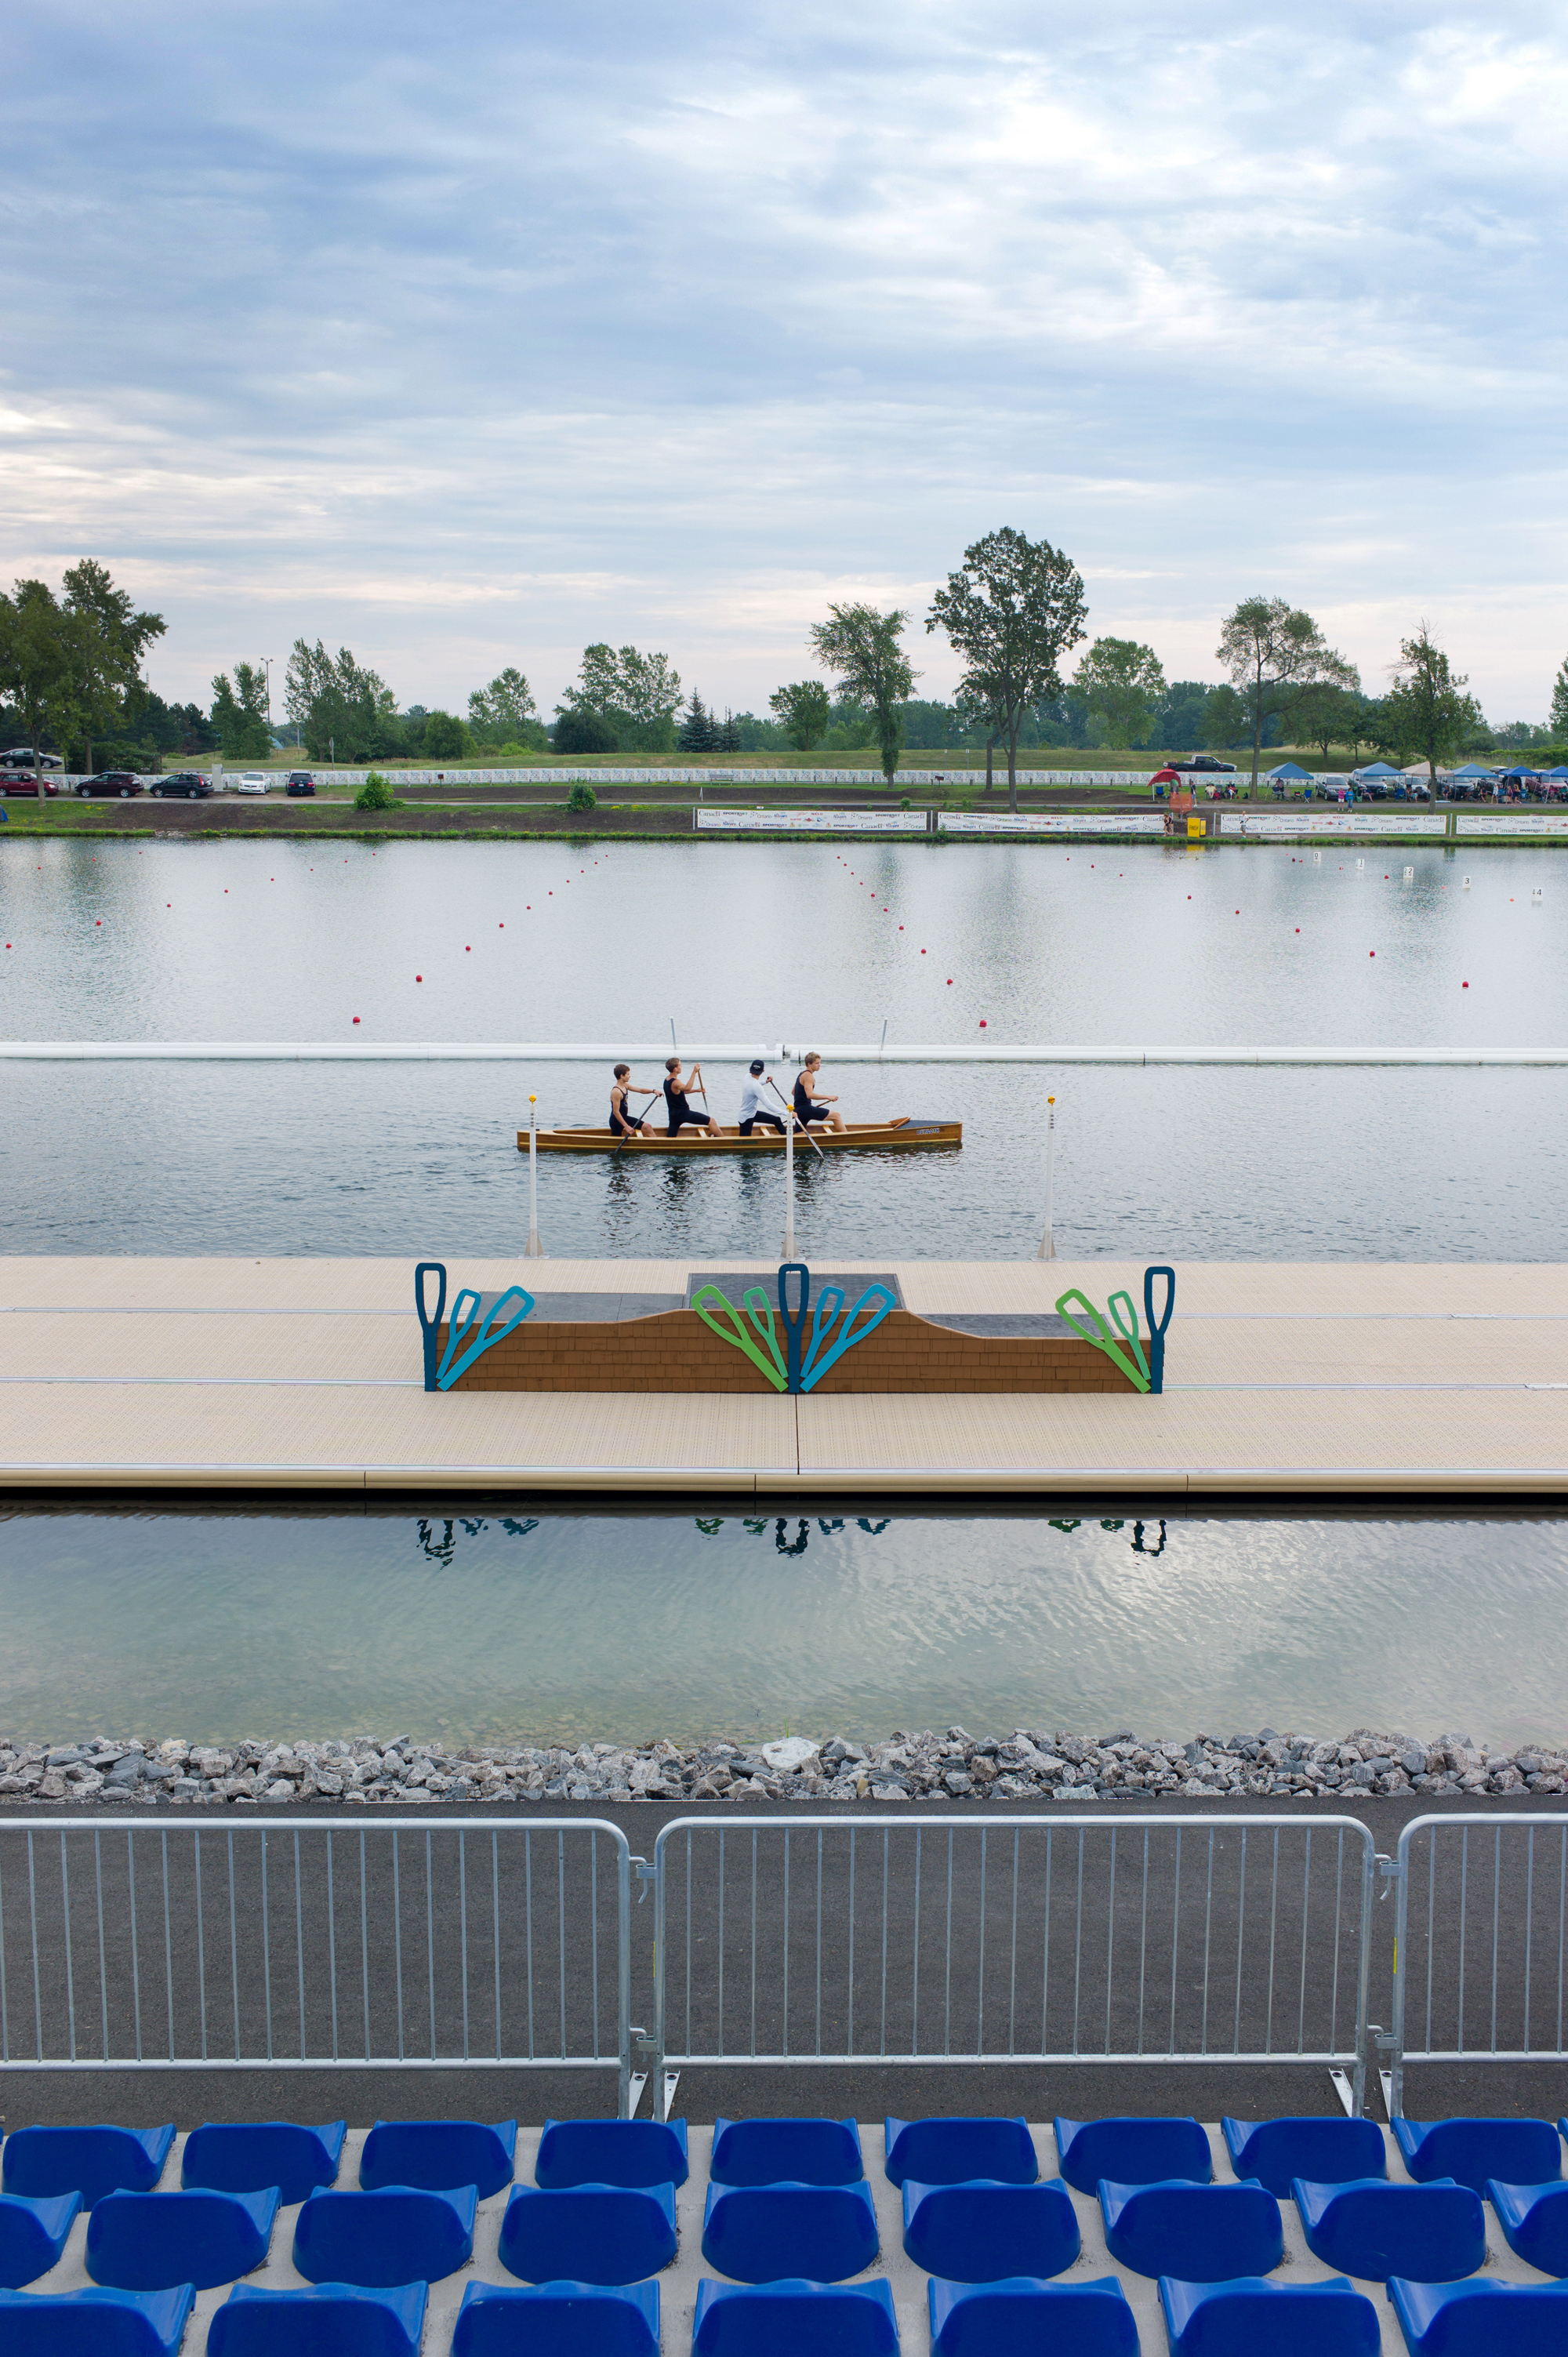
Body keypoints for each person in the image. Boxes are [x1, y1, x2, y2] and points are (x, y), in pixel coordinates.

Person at [663, 1055, 720, 1138]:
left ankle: (665, 1145)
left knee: (671, 1137)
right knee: (711, 1121)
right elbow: (687, 1088)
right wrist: (694, 1072)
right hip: (683, 1113)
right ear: (675, 1069)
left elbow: (681, 1091)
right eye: (680, 1065)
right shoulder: (676, 1082)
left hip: (673, 1114)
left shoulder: (667, 1080)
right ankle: (724, 1140)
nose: (681, 1067)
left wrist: (697, 1090)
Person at [793, 1051, 847, 1133]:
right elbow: (809, 1095)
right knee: (836, 1116)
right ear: (809, 1064)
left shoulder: (802, 1074)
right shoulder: (808, 1076)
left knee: (799, 1134)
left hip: (798, 1110)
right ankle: (846, 1138)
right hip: (805, 1109)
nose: (819, 1065)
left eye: (819, 1063)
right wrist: (828, 1097)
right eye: (817, 1063)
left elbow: (793, 1092)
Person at [739, 1059, 786, 1137]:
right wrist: (787, 1113)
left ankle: (789, 1139)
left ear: (750, 1070)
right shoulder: (756, 1087)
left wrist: (765, 1082)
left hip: (751, 1113)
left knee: (777, 1120)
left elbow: (754, 1084)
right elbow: (768, 1105)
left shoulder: (747, 1077)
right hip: (746, 1118)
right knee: (744, 1142)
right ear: (763, 1071)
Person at [609, 1062, 655, 1138]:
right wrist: (626, 1126)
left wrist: (653, 1091)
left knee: (647, 1127)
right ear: (622, 1076)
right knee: (616, 1142)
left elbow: (640, 1090)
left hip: (625, 1118)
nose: (630, 1076)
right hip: (616, 1121)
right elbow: (616, 1112)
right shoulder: (616, 1091)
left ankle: (657, 1145)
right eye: (628, 1074)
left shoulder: (625, 1086)